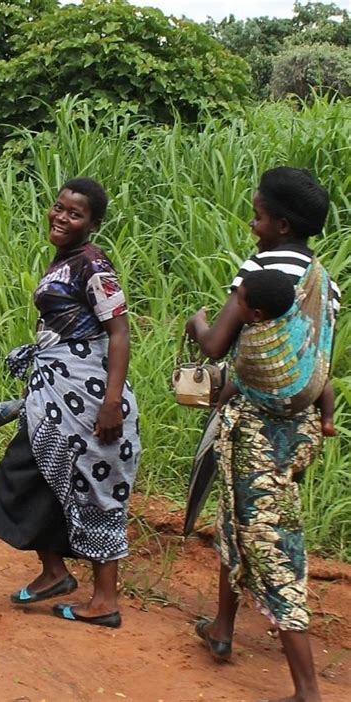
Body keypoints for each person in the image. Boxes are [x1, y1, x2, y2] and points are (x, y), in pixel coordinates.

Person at [185, 167, 340, 702]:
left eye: (257, 216)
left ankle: (307, 690)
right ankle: (223, 630)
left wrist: (196, 324)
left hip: (255, 429)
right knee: (235, 520)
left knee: (270, 543)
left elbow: (216, 344)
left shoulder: (263, 268)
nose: (252, 226)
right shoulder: (323, 278)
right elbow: (319, 361)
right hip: (297, 429)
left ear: (280, 223)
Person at [0, 177, 141, 629]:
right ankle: (54, 573)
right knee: (28, 477)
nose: (61, 216)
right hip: (55, 397)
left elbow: (119, 332)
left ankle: (105, 601)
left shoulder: (93, 264)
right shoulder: (67, 260)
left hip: (89, 400)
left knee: (96, 488)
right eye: (59, 207)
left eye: (75, 213)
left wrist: (111, 402)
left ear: (92, 223)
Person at [217, 268, 336, 437]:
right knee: (323, 380)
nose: (237, 306)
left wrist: (222, 401)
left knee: (236, 381)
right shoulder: (296, 319)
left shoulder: (252, 341)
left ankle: (218, 407)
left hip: (277, 403)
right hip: (306, 394)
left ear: (256, 315)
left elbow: (240, 375)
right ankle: (328, 420)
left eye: (239, 304)